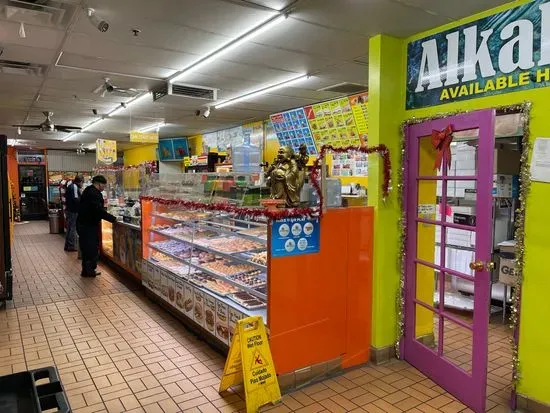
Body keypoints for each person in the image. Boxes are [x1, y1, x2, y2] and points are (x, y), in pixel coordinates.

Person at [77, 175, 117, 277]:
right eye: (104, 185)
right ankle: (89, 271)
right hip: (88, 225)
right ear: (99, 184)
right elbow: (98, 211)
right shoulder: (94, 194)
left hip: (83, 223)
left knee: (86, 248)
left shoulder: (88, 190)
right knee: (91, 249)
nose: (104, 188)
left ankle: (86, 271)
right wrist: (112, 218)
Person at [64, 175, 83, 252]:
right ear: (80, 181)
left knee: (69, 228)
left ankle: (67, 245)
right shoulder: (74, 187)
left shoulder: (71, 186)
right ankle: (71, 246)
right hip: (73, 211)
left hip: (70, 210)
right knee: (73, 228)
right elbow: (76, 199)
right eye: (82, 183)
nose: (82, 185)